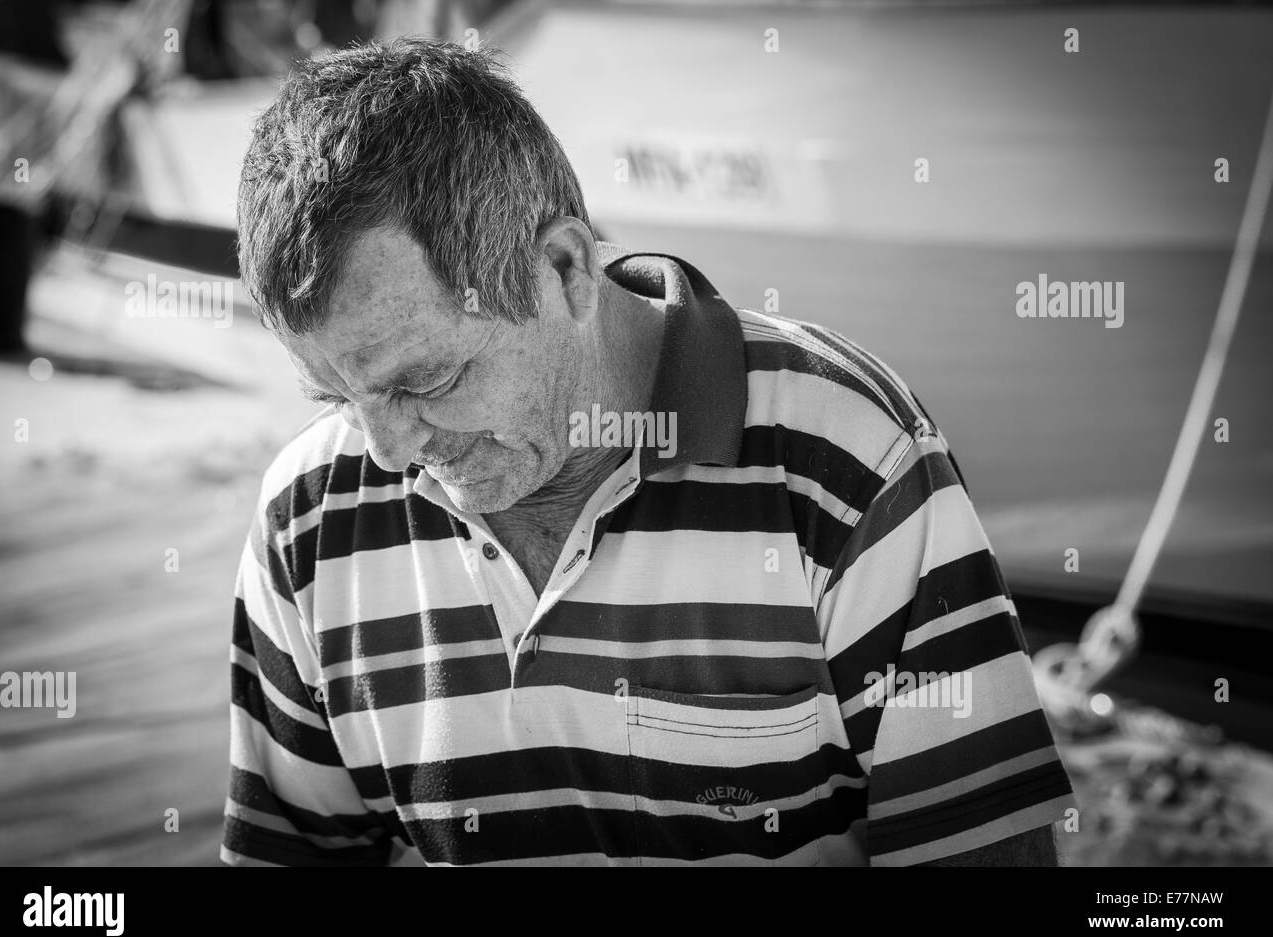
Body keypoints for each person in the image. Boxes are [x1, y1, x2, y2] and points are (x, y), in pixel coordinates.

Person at [221, 38, 1074, 866]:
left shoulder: (847, 459)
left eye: (428, 380)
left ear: (564, 269)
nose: (388, 450)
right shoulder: (309, 515)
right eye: (339, 396)